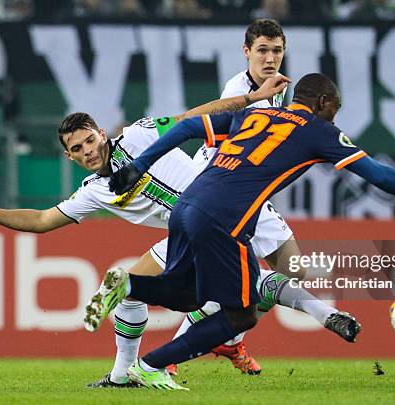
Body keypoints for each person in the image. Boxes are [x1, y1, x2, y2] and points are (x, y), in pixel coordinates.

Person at [0, 76, 356, 388]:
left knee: (288, 274)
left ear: (101, 132)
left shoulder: (141, 132)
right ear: (69, 156)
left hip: (229, 203)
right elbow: (43, 221)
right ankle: (123, 375)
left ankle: (270, 319)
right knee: (130, 291)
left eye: (90, 141)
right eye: (77, 150)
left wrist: (251, 100)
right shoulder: (94, 192)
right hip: (188, 234)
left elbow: (193, 118)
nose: (87, 152)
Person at [104, 73, 395, 390]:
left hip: (186, 206)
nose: (336, 114)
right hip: (226, 219)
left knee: (187, 295)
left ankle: (130, 284)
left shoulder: (255, 114)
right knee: (241, 314)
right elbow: (379, 175)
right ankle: (150, 365)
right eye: (336, 107)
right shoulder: (319, 131)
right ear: (323, 102)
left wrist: (139, 165)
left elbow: (185, 128)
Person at [170, 18, 292, 376]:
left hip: (241, 189)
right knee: (283, 272)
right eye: (262, 50)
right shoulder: (239, 93)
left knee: (287, 273)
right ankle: (178, 351)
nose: (270, 58)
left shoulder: (278, 87)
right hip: (221, 188)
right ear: (246, 52)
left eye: (277, 50)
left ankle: (227, 337)